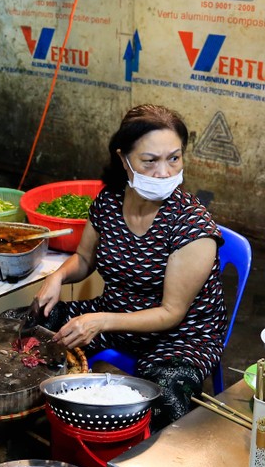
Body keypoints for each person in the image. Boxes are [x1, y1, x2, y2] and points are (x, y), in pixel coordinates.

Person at [33, 104, 226, 428]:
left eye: (174, 158)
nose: (164, 172)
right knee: (31, 322)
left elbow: (171, 314)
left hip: (181, 336)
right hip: (115, 313)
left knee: (165, 402)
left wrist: (101, 321)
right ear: (124, 160)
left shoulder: (192, 226)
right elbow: (83, 260)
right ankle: (38, 420)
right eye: (150, 161)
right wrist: (58, 276)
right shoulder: (109, 202)